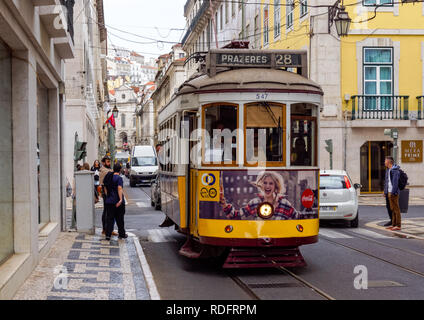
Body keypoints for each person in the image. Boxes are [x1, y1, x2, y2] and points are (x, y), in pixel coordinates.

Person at [220, 171, 301, 220]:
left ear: (276, 186)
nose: (267, 186)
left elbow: (298, 218)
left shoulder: (284, 204)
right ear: (261, 185)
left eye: (271, 183)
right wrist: (224, 204)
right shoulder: (255, 203)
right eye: (265, 183)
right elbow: (236, 216)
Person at [103, 163, 128, 240]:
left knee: (109, 218)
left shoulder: (109, 177)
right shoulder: (119, 178)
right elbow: (119, 188)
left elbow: (105, 187)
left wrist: (108, 196)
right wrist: (120, 199)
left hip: (109, 201)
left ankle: (108, 235)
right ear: (120, 170)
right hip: (117, 201)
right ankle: (121, 234)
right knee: (120, 219)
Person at [99, 156, 117, 236]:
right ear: (103, 162)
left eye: (109, 161)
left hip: (110, 193)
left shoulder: (109, 170)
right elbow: (103, 184)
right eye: (107, 161)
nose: (109, 163)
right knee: (107, 212)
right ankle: (105, 229)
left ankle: (109, 229)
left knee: (109, 211)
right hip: (107, 193)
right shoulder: (103, 171)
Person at [384, 156, 401, 231]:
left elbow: (395, 182)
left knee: (396, 209)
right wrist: (385, 191)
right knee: (392, 209)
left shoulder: (395, 170)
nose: (384, 162)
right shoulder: (389, 170)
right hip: (389, 192)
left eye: (385, 161)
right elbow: (387, 182)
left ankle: (398, 225)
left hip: (393, 192)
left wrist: (393, 192)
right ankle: (393, 224)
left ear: (388, 162)